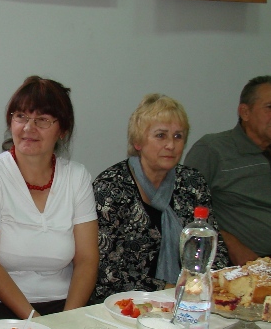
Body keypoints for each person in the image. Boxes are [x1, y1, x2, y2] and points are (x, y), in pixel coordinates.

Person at [0, 75, 98, 327]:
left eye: (43, 120)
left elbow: (87, 260)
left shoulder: (77, 176)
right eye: (21, 117)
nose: (29, 128)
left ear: (62, 130)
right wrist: (34, 321)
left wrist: (68, 320)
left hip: (64, 304)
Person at [92, 94, 229, 301]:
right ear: (138, 142)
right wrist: (169, 290)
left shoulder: (192, 182)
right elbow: (106, 271)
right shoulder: (110, 188)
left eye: (178, 136)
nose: (171, 145)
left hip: (192, 296)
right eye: (161, 136)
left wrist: (205, 285)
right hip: (125, 303)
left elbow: (215, 249)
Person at [184, 75, 271, 265]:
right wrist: (230, 246)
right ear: (245, 112)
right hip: (236, 266)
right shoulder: (213, 149)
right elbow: (186, 210)